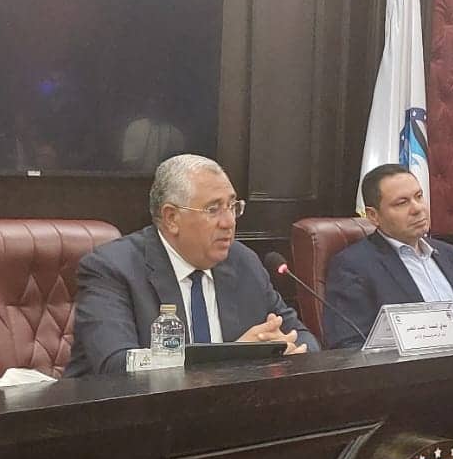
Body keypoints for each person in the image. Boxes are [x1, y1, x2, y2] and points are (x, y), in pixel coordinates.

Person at [65, 154, 319, 377]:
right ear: (171, 218)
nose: (229, 222)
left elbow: (305, 339)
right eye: (213, 209)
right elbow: (117, 368)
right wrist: (235, 360)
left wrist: (289, 349)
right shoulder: (112, 269)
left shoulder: (243, 262)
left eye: (232, 206)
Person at [323, 164, 453, 349]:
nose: (417, 208)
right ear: (374, 216)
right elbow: (349, 345)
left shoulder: (448, 254)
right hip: (415, 365)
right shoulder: (353, 266)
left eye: (419, 196)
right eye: (402, 203)